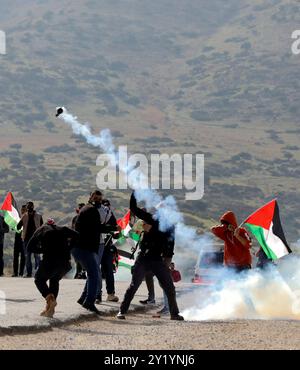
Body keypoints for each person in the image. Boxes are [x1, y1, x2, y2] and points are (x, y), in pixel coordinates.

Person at [117, 192, 184, 321]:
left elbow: (170, 245)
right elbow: (134, 209)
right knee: (134, 286)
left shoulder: (170, 226)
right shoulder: (152, 218)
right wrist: (134, 194)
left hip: (157, 260)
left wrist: (168, 261)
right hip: (144, 258)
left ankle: (174, 314)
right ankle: (121, 311)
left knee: (169, 287)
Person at [72, 190, 120, 314]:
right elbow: (98, 228)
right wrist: (114, 228)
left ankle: (84, 298)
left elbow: (98, 227)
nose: (98, 200)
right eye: (96, 198)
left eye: (100, 198)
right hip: (85, 248)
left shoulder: (89, 209)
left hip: (83, 248)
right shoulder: (91, 210)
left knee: (93, 272)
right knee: (94, 274)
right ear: (91, 197)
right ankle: (89, 301)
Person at [27, 218, 78, 318]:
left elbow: (29, 247)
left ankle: (50, 299)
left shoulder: (41, 230)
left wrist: (42, 250)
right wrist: (69, 247)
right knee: (54, 280)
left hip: (49, 261)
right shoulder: (63, 229)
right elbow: (78, 236)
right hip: (64, 263)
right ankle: (50, 310)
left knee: (39, 280)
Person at [98, 199, 119, 303]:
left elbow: (116, 232)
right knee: (101, 271)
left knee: (106, 271)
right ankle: (101, 295)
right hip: (100, 246)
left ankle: (106, 294)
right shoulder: (103, 214)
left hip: (104, 247)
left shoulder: (108, 215)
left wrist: (116, 232)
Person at [17, 201, 43, 277]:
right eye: (28, 208)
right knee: (27, 257)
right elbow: (18, 226)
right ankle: (29, 273)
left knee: (36, 256)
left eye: (30, 208)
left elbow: (42, 228)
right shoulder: (24, 216)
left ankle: (38, 273)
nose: (29, 209)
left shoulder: (38, 216)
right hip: (26, 239)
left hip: (36, 239)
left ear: (33, 207)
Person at [71, 203, 86, 279]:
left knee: (83, 258)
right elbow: (72, 229)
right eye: (79, 208)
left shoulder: (87, 218)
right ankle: (78, 272)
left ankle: (82, 272)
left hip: (85, 241)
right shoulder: (75, 218)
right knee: (77, 258)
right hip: (76, 241)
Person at [12, 205, 27, 277]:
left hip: (24, 240)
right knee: (15, 257)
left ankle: (21, 273)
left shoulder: (27, 219)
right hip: (17, 240)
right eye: (22, 210)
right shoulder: (17, 219)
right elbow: (14, 228)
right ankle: (15, 273)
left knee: (23, 258)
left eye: (24, 210)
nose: (23, 211)